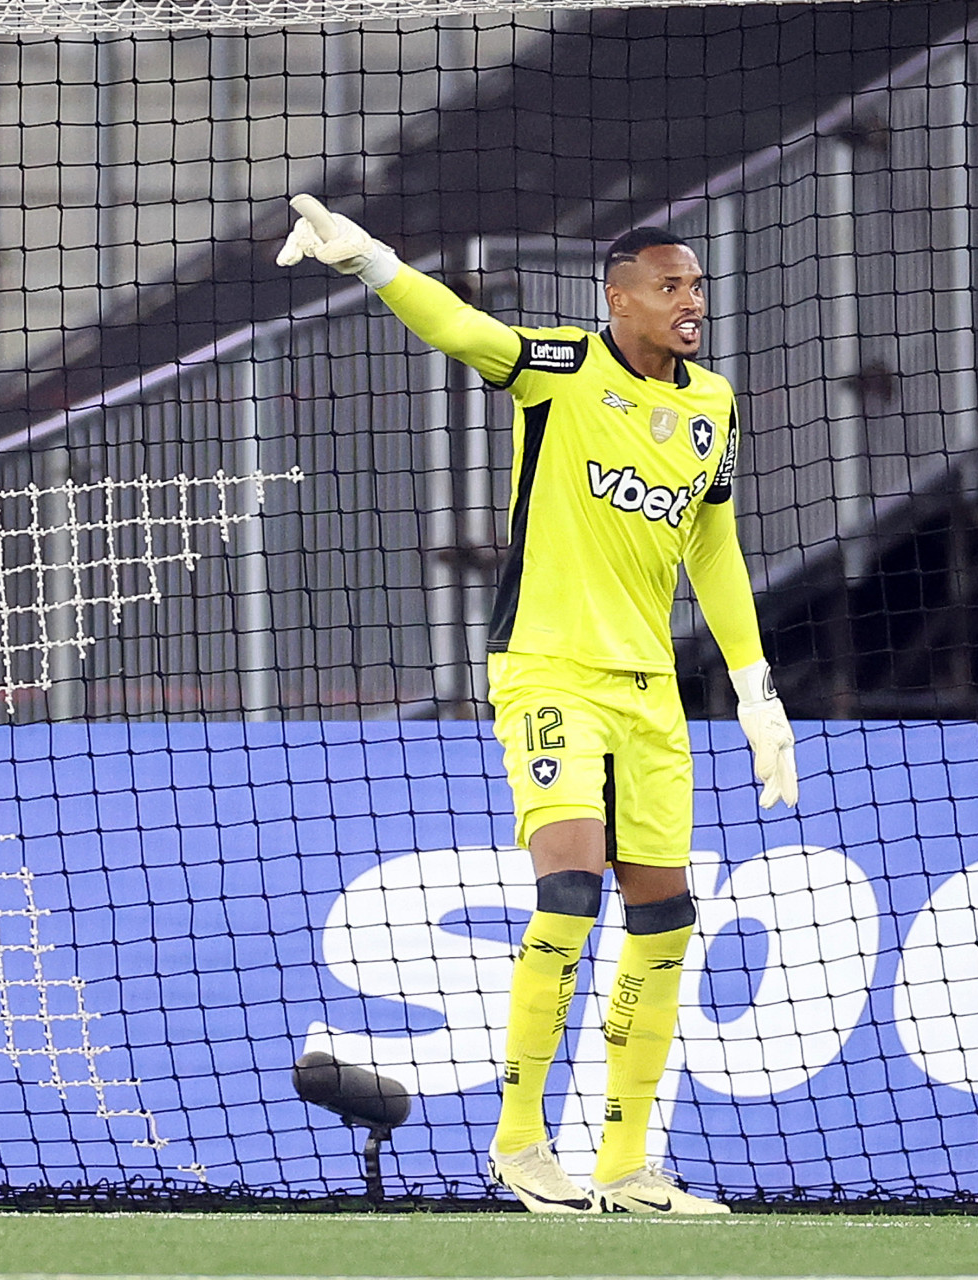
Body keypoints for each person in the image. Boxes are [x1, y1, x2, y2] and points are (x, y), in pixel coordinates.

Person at [277, 195, 798, 1215]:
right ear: (619, 297)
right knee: (569, 890)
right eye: (670, 285)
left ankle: (627, 1164)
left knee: (666, 916)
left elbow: (714, 546)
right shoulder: (561, 371)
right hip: (549, 670)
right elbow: (463, 327)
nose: (692, 300)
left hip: (652, 692)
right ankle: (519, 1144)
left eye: (696, 285)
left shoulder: (714, 405)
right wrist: (375, 258)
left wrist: (754, 685)